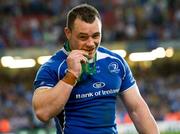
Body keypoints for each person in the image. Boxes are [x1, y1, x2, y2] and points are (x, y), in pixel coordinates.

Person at [32, 3, 159, 134]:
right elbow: (43, 113)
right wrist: (71, 75)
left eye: (96, 36)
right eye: (83, 37)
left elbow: (137, 109)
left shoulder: (115, 62)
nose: (90, 43)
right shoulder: (53, 67)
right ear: (68, 33)